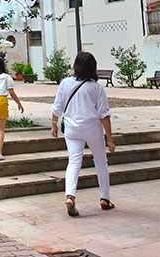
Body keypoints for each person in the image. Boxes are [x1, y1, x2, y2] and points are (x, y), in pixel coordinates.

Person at [50, 51, 115, 217]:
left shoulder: (65, 83)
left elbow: (57, 107)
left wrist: (53, 125)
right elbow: (104, 114)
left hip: (71, 128)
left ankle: (70, 196)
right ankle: (104, 198)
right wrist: (110, 138)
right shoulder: (96, 88)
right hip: (92, 128)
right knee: (101, 162)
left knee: (73, 162)